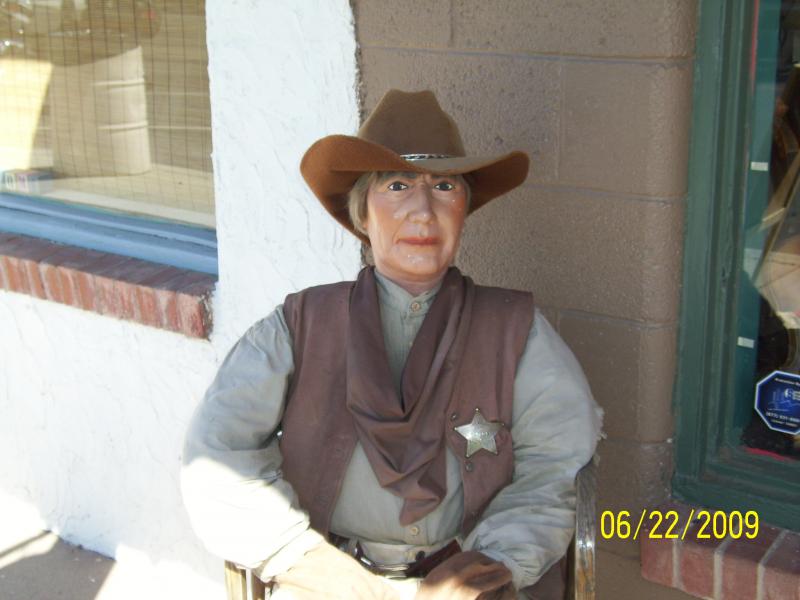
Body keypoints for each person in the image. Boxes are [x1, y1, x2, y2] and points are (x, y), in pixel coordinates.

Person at [181, 89, 602, 600]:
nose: (423, 212)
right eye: (398, 186)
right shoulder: (299, 326)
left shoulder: (516, 330)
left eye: (444, 187)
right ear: (362, 215)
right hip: (324, 579)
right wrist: (299, 557)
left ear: (463, 211)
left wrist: (491, 564)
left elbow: (557, 465)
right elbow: (216, 453)